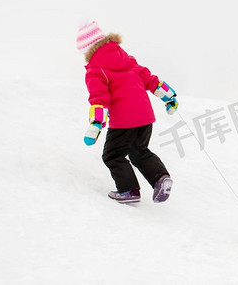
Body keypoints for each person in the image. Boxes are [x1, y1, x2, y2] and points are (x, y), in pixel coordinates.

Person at [76, 20, 178, 204]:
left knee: (112, 155)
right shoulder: (127, 60)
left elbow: (99, 99)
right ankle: (160, 178)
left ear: (87, 50)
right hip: (146, 117)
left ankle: (128, 190)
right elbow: (151, 80)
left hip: (124, 121)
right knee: (140, 151)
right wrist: (169, 97)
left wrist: (96, 124)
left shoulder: (95, 70)